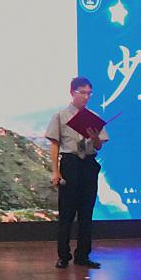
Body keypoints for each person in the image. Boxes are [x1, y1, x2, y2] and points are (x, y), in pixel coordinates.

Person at [46, 76, 109, 269]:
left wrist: (95, 137)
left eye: (89, 93)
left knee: (86, 212)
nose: (86, 97)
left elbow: (99, 146)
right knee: (66, 213)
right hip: (70, 162)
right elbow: (54, 145)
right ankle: (63, 255)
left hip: (88, 163)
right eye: (83, 93)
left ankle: (83, 255)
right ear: (72, 92)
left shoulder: (93, 117)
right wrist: (55, 172)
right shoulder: (60, 116)